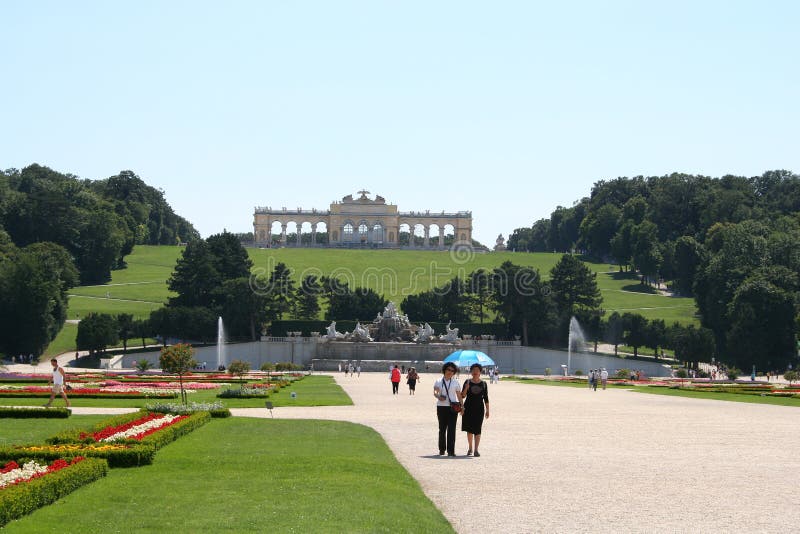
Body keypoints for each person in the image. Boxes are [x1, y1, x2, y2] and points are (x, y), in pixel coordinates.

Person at [433, 362, 463, 456]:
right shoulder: (438, 381)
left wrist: (462, 406)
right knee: (442, 429)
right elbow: (435, 392)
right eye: (448, 369)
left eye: (452, 371)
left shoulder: (455, 382)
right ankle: (442, 449)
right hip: (441, 407)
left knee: (452, 429)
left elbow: (459, 395)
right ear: (444, 370)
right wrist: (438, 396)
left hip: (453, 408)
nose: (450, 372)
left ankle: (451, 451)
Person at [461, 363, 490, 457]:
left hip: (479, 409)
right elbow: (462, 396)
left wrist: (487, 410)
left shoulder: (484, 383)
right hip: (468, 408)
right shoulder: (467, 382)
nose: (475, 372)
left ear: (480, 372)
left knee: (478, 429)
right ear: (471, 371)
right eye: (473, 370)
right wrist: (466, 388)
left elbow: (485, 397)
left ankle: (476, 450)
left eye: (477, 370)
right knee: (469, 429)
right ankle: (470, 447)